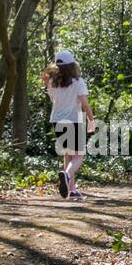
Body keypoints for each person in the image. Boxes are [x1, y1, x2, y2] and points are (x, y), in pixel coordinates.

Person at [41, 50, 94, 200]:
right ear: (72, 66)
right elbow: (84, 103)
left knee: (68, 154)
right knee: (78, 155)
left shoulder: (52, 82)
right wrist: (92, 120)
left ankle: (72, 190)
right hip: (73, 121)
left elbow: (54, 100)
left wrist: (47, 84)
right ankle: (67, 175)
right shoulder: (78, 82)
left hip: (56, 121)